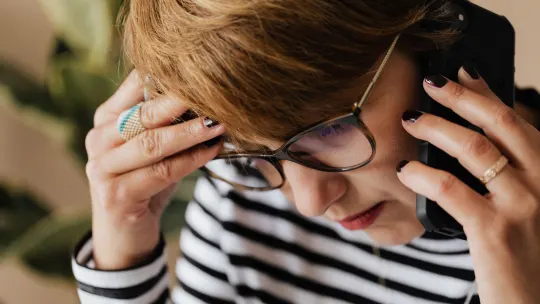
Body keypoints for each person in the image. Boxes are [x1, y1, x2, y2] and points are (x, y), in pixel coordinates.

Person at [72, 0, 540, 303]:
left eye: (332, 129)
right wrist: (122, 249)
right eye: (254, 149)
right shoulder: (246, 196)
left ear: (446, 43)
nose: (311, 202)